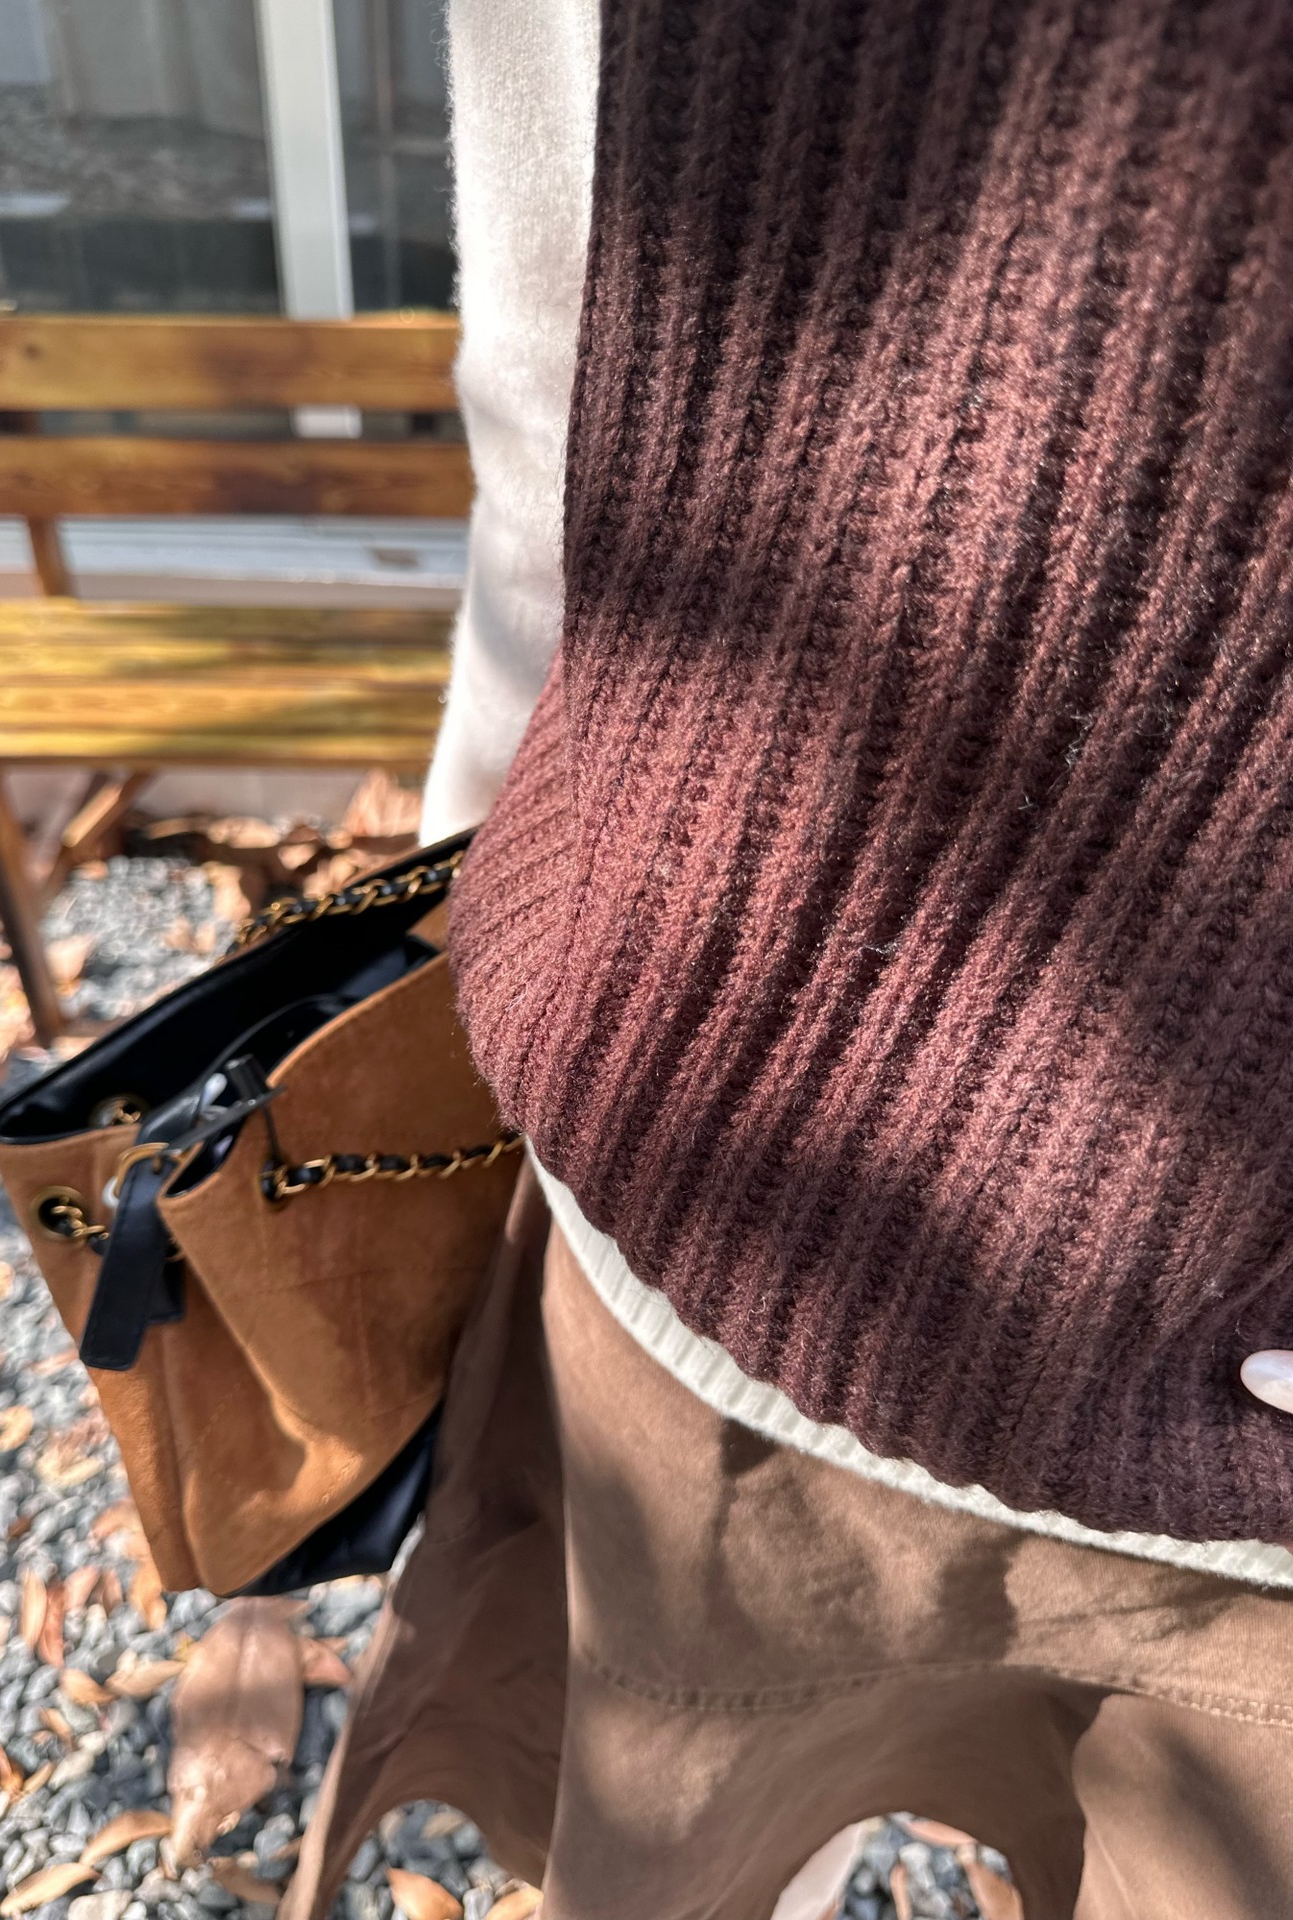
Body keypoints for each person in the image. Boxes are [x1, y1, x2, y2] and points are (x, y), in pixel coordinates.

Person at [290, 3, 1293, 1915]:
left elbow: (546, 376)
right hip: (715, 1227)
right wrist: (473, 952)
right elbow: (571, 370)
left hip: (1163, 1465)